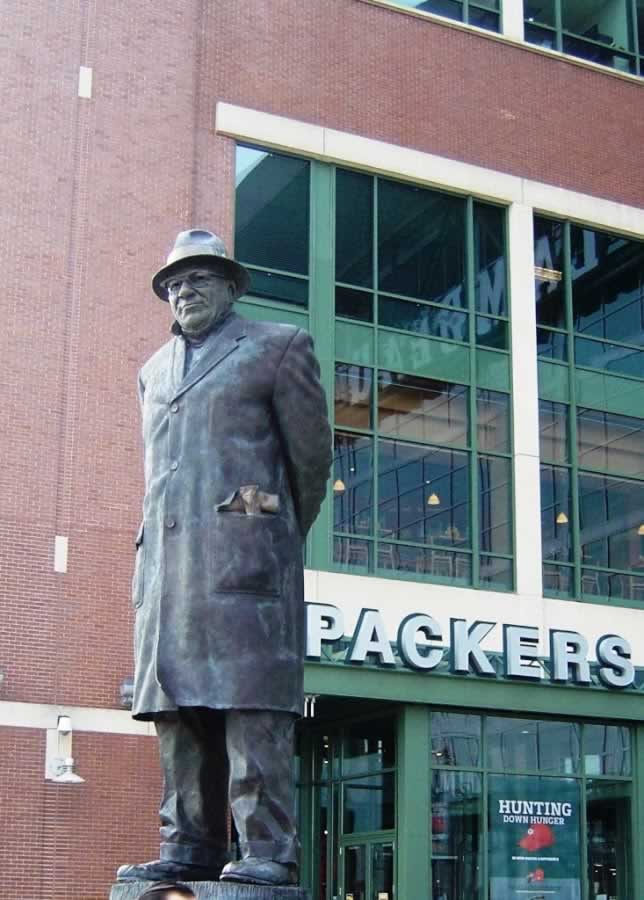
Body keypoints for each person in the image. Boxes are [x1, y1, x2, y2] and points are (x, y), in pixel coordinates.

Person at [117, 230, 332, 887]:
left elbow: (312, 460)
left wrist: (265, 527)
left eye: (199, 279)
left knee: (249, 707)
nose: (185, 291)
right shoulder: (152, 370)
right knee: (178, 713)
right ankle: (188, 845)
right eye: (175, 284)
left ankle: (267, 847)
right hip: (167, 569)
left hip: (246, 560)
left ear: (231, 286)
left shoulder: (277, 346)